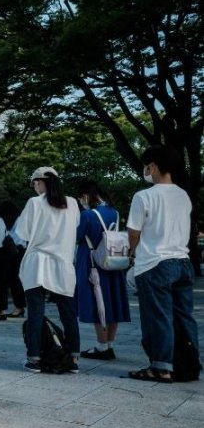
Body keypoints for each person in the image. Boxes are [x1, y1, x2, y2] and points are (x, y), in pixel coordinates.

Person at [126, 145, 198, 382]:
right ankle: (189, 363)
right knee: (184, 316)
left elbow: (134, 233)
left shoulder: (143, 196)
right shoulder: (183, 195)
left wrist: (133, 253)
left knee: (158, 317)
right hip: (183, 262)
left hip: (154, 263)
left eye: (146, 165)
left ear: (153, 166)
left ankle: (161, 367)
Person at [15, 167, 81, 373]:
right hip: (63, 264)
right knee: (68, 313)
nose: (34, 187)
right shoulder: (72, 203)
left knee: (36, 311)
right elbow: (75, 227)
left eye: (35, 182)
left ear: (41, 182)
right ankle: (73, 358)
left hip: (38, 264)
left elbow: (23, 232)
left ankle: (34, 358)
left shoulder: (35, 203)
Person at [74, 180, 130, 360]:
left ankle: (102, 346)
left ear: (85, 196)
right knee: (113, 302)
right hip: (114, 260)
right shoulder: (114, 212)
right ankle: (109, 344)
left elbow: (78, 236)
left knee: (99, 303)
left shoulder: (88, 215)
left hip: (93, 262)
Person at [0, 200, 26, 317]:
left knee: (15, 280)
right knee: (14, 280)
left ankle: (19, 307)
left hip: (17, 252)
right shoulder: (16, 220)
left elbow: (18, 238)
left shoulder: (18, 221)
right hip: (16, 252)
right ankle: (19, 306)